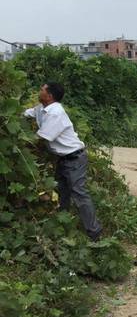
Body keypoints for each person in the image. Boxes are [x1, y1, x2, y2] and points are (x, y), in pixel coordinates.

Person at [23, 82, 102, 241]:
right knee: (62, 193)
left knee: (80, 194)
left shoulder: (56, 113)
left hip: (74, 158)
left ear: (49, 96)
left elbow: (40, 138)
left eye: (42, 90)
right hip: (63, 159)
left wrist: (19, 143)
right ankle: (63, 228)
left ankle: (95, 234)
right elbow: (27, 113)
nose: (39, 91)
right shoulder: (42, 109)